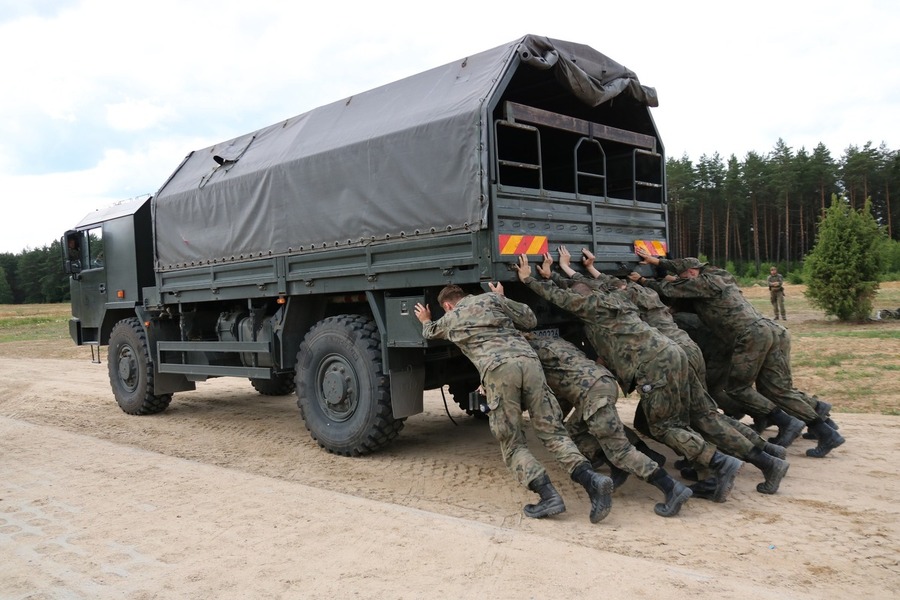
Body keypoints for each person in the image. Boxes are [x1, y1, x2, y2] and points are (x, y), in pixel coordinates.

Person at [551, 248, 789, 495]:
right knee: (702, 415)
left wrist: (566, 272)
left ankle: (750, 463)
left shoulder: (617, 298)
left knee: (674, 423)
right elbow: (601, 284)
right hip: (683, 350)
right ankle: (759, 457)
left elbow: (592, 289)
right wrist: (587, 268)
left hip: (668, 358)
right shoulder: (639, 291)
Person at [516, 254, 744, 503]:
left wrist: (529, 280)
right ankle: (712, 469)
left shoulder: (589, 306)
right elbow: (580, 287)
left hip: (655, 363)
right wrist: (560, 273)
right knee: (680, 418)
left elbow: (560, 297)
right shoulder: (613, 297)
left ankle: (720, 463)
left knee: (664, 426)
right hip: (671, 354)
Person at [414, 283, 614, 523]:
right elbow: (529, 320)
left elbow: (430, 332)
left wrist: (425, 319)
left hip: (499, 371)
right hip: (530, 363)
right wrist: (502, 297)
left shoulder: (452, 317)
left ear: (447, 305)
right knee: (554, 434)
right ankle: (592, 481)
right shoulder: (492, 299)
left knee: (512, 443)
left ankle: (548, 496)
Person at [631, 249, 844, 458]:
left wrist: (642, 281)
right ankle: (823, 426)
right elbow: (680, 276)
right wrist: (657, 263)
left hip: (749, 336)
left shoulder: (704, 282)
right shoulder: (720, 276)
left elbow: (669, 290)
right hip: (763, 330)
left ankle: (787, 422)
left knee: (737, 388)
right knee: (776, 388)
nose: (680, 279)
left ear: (694, 272)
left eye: (683, 276)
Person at [525, 333, 692, 517]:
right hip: (601, 383)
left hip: (593, 393)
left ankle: (671, 487)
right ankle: (617, 467)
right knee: (573, 434)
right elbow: (564, 386)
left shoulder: (529, 354)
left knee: (621, 451)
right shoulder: (554, 341)